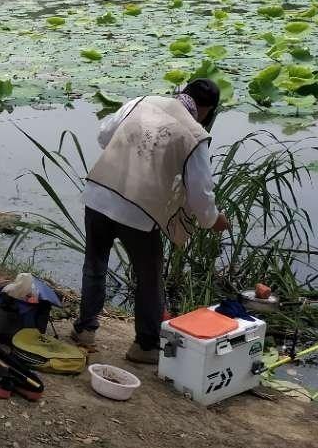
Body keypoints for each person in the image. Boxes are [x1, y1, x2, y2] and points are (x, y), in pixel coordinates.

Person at [70, 79, 229, 364]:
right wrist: (214, 220)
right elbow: (201, 196)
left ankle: (85, 330)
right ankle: (144, 346)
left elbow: (105, 136)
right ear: (208, 110)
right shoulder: (195, 134)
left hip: (99, 195)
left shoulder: (143, 101)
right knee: (149, 278)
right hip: (139, 212)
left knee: (95, 265)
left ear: (184, 92)